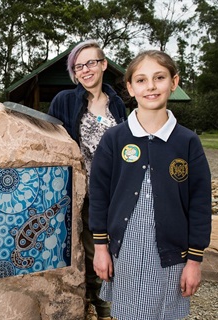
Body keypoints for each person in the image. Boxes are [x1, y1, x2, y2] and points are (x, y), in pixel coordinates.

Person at [89, 50, 212, 319]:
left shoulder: (187, 142)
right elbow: (99, 194)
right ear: (131, 88)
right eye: (142, 80)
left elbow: (201, 203)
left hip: (171, 254)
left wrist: (194, 261)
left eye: (159, 78)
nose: (151, 87)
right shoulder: (114, 139)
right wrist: (100, 248)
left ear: (174, 82)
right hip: (125, 250)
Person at [48, 40, 127, 320]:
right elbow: (51, 143)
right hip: (84, 193)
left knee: (120, 247)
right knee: (93, 250)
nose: (86, 70)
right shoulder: (65, 100)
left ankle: (124, 299)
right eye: (79, 66)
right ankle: (103, 306)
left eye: (91, 62)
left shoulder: (117, 104)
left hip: (117, 191)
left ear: (104, 64)